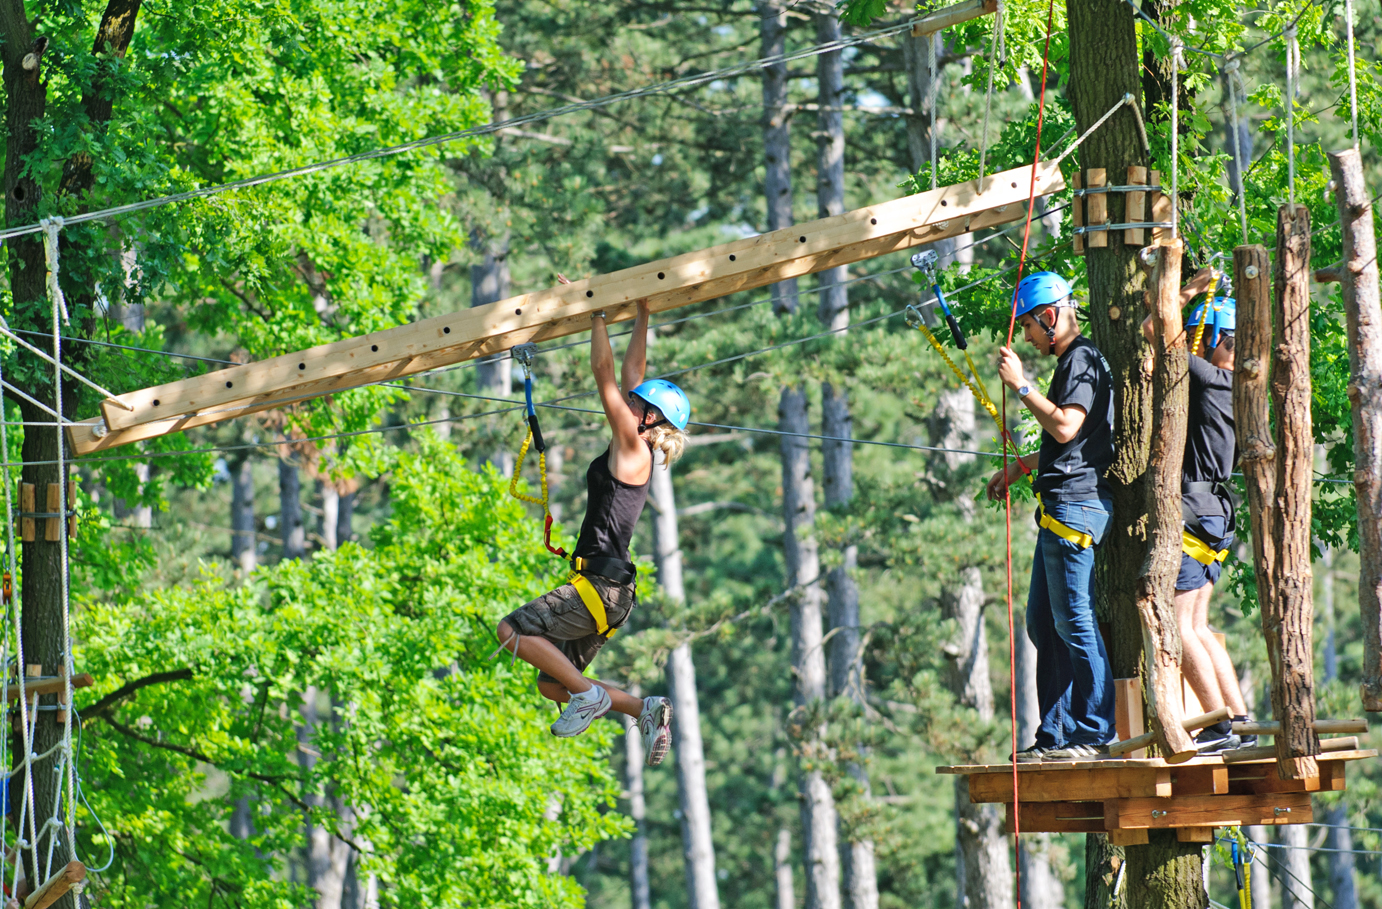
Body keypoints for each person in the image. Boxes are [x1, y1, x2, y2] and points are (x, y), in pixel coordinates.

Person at [495, 300, 691, 767]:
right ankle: (643, 709)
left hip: (600, 588)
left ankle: (588, 696)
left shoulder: (631, 446)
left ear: (649, 420)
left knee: (509, 631)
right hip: (610, 591)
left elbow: (604, 372)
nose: (628, 400)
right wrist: (642, 314)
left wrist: (596, 313)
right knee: (551, 684)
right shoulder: (634, 443)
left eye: (636, 403)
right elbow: (630, 373)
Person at [986, 272, 1117, 762]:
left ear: (1049, 316)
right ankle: (1056, 733)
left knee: (1074, 621)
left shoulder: (1081, 358)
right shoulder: (1076, 361)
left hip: (1074, 507)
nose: (1026, 337)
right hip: (1064, 505)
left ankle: (1095, 731)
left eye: (1028, 326)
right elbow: (1072, 443)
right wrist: (1020, 466)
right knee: (1044, 623)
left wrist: (1020, 385)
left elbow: (1065, 428)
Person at [1141, 270, 1252, 753]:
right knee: (1200, 626)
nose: (1197, 347)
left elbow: (1153, 329)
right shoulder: (1236, 386)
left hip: (1194, 508)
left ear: (1219, 341)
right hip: (1216, 513)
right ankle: (1239, 718)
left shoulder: (1209, 378)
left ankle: (1218, 726)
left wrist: (1189, 289)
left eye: (1203, 339)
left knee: (1178, 624)